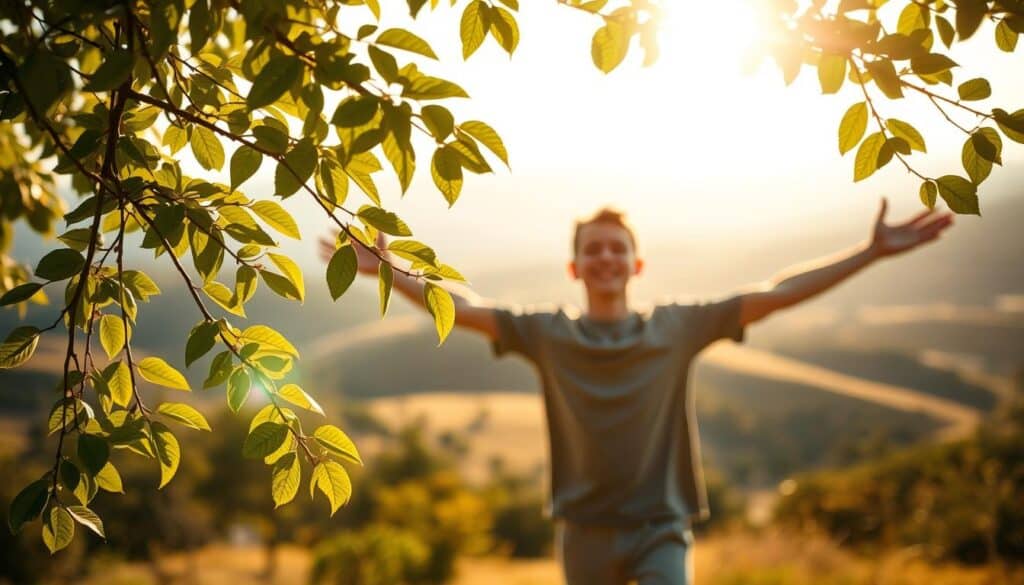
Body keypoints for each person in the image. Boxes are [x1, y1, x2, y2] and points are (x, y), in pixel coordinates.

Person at [319, 198, 953, 585]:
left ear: (636, 263)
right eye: (592, 250)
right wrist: (390, 270)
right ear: (575, 267)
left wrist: (869, 254)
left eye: (616, 249)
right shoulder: (547, 334)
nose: (605, 258)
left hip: (661, 525)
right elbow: (461, 305)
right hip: (584, 529)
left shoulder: (679, 328)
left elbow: (778, 291)